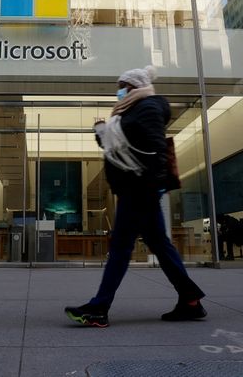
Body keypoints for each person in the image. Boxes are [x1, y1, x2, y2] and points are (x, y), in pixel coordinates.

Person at [64, 66, 206, 328]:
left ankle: (99, 308)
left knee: (120, 247)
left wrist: (152, 187)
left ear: (134, 87)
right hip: (139, 189)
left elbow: (156, 148)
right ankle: (190, 300)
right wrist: (101, 132)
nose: (119, 91)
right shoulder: (130, 111)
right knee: (160, 245)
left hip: (139, 190)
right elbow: (118, 147)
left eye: (123, 86)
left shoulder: (148, 107)